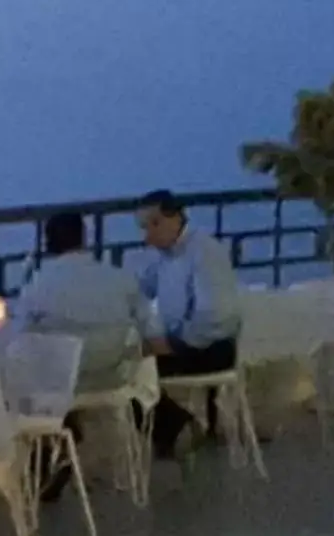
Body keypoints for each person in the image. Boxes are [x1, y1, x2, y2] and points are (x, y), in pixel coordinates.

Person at [12, 210, 141, 502]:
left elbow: (20, 337)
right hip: (114, 377)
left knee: (28, 381)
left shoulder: (40, 284)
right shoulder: (118, 278)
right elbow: (147, 325)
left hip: (65, 385)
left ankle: (51, 456)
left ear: (48, 243)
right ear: (84, 238)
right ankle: (65, 443)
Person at [134, 190, 243, 459]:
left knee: (129, 373)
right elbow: (137, 292)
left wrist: (171, 343)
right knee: (125, 365)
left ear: (176, 218)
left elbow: (214, 317)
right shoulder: (165, 257)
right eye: (145, 227)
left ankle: (175, 428)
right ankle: (174, 427)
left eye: (154, 224)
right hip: (187, 344)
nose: (148, 235)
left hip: (211, 348)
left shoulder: (204, 252)